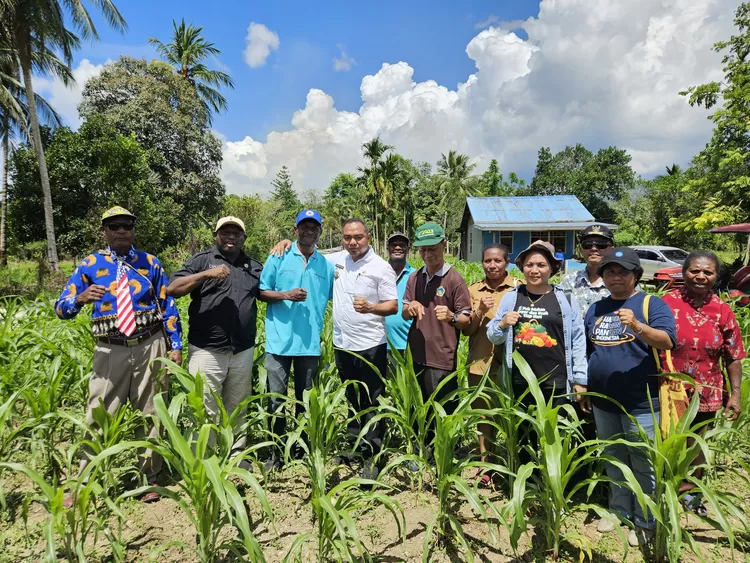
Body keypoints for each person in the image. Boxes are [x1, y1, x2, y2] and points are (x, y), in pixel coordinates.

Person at [55, 206, 183, 502]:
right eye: (115, 226)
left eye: (127, 225)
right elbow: (60, 308)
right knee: (98, 412)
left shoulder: (149, 263)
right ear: (105, 231)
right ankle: (84, 479)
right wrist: (80, 299)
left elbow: (168, 306)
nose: (122, 230)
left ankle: (148, 477)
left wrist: (175, 346)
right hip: (109, 349)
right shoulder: (89, 264)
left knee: (152, 412)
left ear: (133, 230)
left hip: (150, 345)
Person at [272, 219, 398, 479]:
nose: (353, 242)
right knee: (352, 398)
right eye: (348, 237)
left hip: (371, 345)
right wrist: (286, 242)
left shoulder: (381, 267)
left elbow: (392, 306)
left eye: (358, 237)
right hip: (343, 345)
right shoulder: (338, 259)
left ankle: (372, 455)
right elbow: (308, 251)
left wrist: (371, 308)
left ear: (369, 236)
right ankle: (355, 444)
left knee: (373, 401)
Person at [584, 247, 676, 547]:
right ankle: (619, 510)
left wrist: (637, 325)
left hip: (642, 400)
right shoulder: (595, 309)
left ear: (635, 275)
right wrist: (584, 385)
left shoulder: (651, 304)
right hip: (603, 399)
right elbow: (589, 350)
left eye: (622, 271)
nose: (615, 276)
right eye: (610, 271)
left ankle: (646, 518)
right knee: (612, 456)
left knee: (642, 460)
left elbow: (667, 342)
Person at [486, 240, 589, 460]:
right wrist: (502, 323)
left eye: (541, 265)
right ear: (522, 267)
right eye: (529, 265)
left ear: (552, 268)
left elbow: (578, 339)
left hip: (557, 381)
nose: (534, 270)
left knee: (558, 435)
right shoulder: (512, 297)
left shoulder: (565, 298)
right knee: (524, 437)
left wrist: (580, 379)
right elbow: (492, 335)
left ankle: (555, 484)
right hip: (520, 381)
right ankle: (528, 484)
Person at [168, 216, 263, 454]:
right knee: (204, 407)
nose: (231, 237)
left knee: (238, 405)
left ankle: (236, 453)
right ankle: (205, 456)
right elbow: (173, 289)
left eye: (236, 233)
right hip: (206, 349)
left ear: (244, 237)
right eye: (225, 232)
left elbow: (269, 288)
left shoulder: (253, 266)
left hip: (242, 349)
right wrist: (204, 275)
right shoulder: (202, 261)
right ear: (216, 236)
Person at [662, 250, 746, 516]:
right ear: (684, 272)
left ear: (716, 276)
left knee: (696, 443)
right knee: (666, 439)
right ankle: (662, 489)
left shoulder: (722, 310)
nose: (700, 276)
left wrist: (735, 395)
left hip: (707, 391)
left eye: (707, 272)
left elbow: (732, 356)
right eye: (694, 271)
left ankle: (690, 493)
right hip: (668, 389)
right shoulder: (665, 303)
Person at [258, 210, 334, 471]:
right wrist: (286, 294)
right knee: (276, 399)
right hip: (279, 343)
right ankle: (275, 452)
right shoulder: (279, 255)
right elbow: (261, 291)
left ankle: (301, 447)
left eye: (314, 227)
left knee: (305, 400)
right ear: (296, 229)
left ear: (320, 231)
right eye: (304, 226)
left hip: (310, 344)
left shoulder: (326, 265)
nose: (309, 230)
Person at [402, 223, 472, 437]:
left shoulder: (454, 280)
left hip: (442, 357)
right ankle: (421, 446)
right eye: (423, 249)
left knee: (442, 408)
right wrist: (410, 307)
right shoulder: (415, 277)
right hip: (416, 353)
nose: (427, 254)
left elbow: (465, 319)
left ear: (444, 245)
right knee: (417, 405)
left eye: (432, 248)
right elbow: (404, 312)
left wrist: (451, 317)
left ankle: (444, 453)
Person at [462, 244, 518, 485]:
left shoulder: (519, 288)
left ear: (506, 262)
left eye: (497, 260)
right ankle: (486, 463)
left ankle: (514, 461)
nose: (492, 265)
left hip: (513, 361)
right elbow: (467, 330)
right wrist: (479, 311)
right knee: (484, 413)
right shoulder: (473, 290)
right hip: (481, 360)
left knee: (512, 412)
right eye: (487, 261)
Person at [560, 224, 615, 317]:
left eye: (601, 245)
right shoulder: (569, 282)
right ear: (581, 250)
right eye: (587, 245)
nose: (593, 249)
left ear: (612, 249)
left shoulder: (623, 281)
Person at [384, 232, 415, 358]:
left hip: (407, 345)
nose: (397, 247)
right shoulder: (378, 272)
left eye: (402, 245)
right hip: (379, 344)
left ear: (408, 249)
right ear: (388, 248)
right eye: (394, 245)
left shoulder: (416, 276)